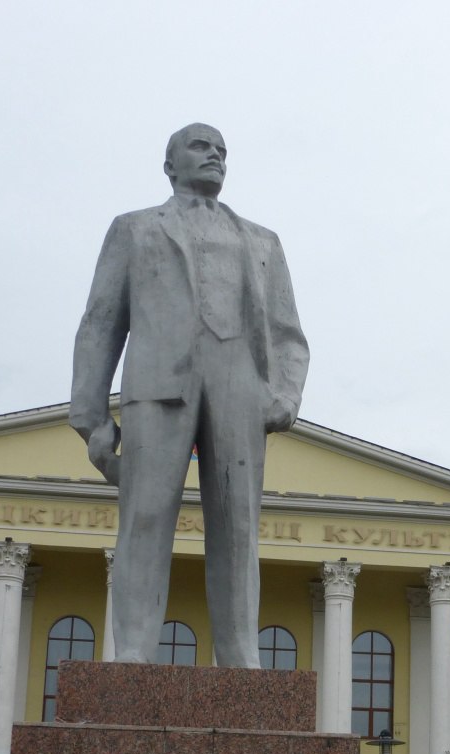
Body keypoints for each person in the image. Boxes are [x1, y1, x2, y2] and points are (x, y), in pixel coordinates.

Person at [68, 123, 309, 668]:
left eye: (222, 151)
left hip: (240, 388)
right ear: (169, 164)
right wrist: (91, 418)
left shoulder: (262, 241)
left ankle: (241, 656)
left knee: (238, 526)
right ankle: (131, 652)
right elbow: (101, 323)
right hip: (159, 386)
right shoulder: (134, 229)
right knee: (146, 518)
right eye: (201, 147)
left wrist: (286, 394)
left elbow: (288, 332)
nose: (216, 157)